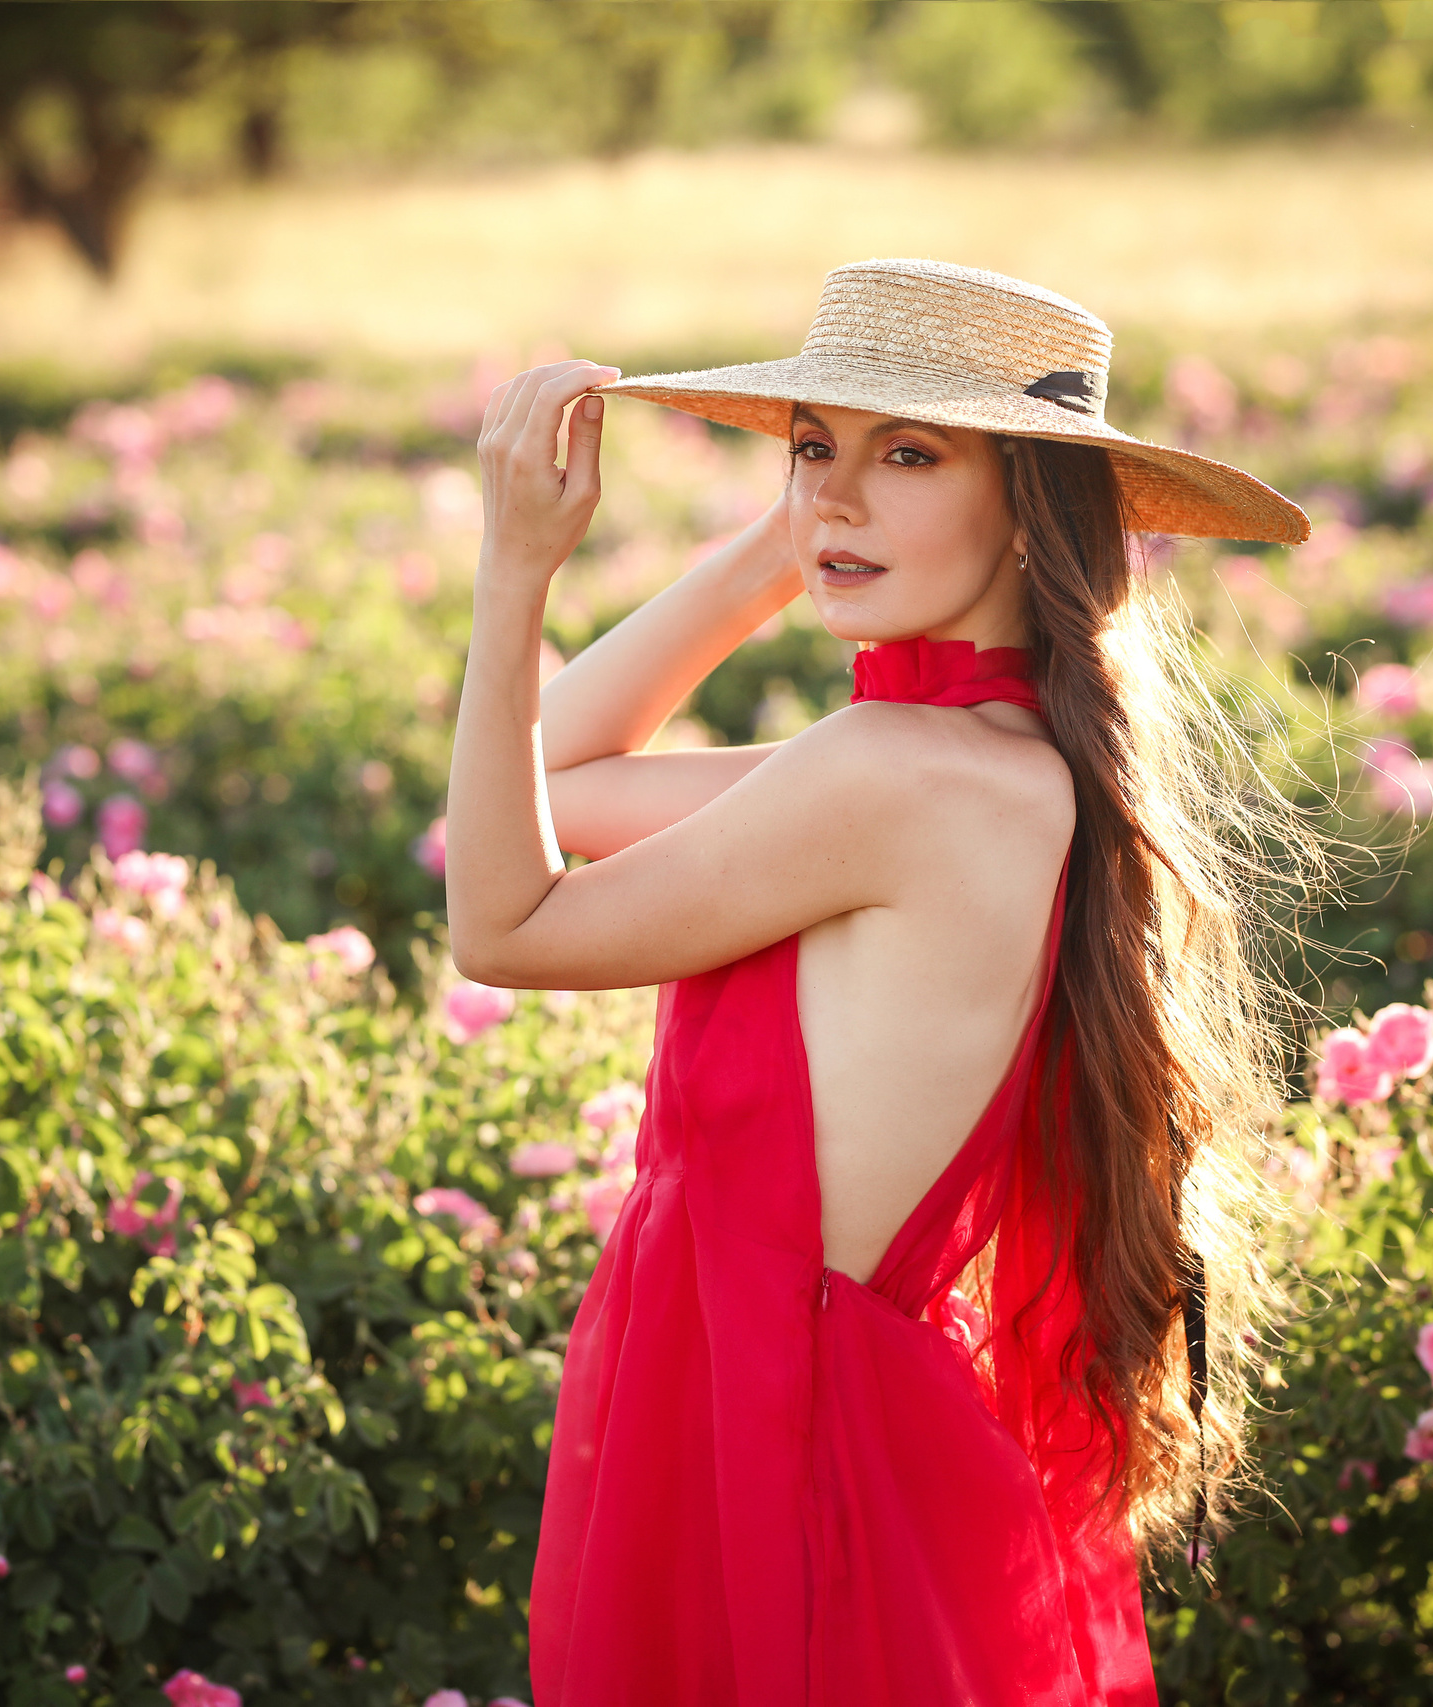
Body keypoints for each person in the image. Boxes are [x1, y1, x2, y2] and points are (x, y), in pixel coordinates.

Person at [445, 258, 1318, 1706]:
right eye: (810, 446)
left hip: (777, 1444)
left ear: (1030, 502)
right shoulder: (982, 760)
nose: (840, 493)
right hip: (809, 1417)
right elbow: (559, 779)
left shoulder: (892, 780)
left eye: (909, 452)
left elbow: (504, 919)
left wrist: (514, 571)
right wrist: (815, 530)